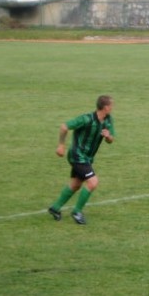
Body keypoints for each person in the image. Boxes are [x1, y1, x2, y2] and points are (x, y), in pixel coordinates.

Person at [47, 95, 115, 225]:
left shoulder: (108, 120)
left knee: (76, 184)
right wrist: (61, 145)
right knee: (93, 182)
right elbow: (64, 127)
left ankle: (55, 208)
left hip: (87, 158)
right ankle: (77, 212)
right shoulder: (86, 119)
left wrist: (108, 136)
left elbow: (111, 140)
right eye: (111, 105)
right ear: (106, 107)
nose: (113, 108)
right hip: (77, 156)